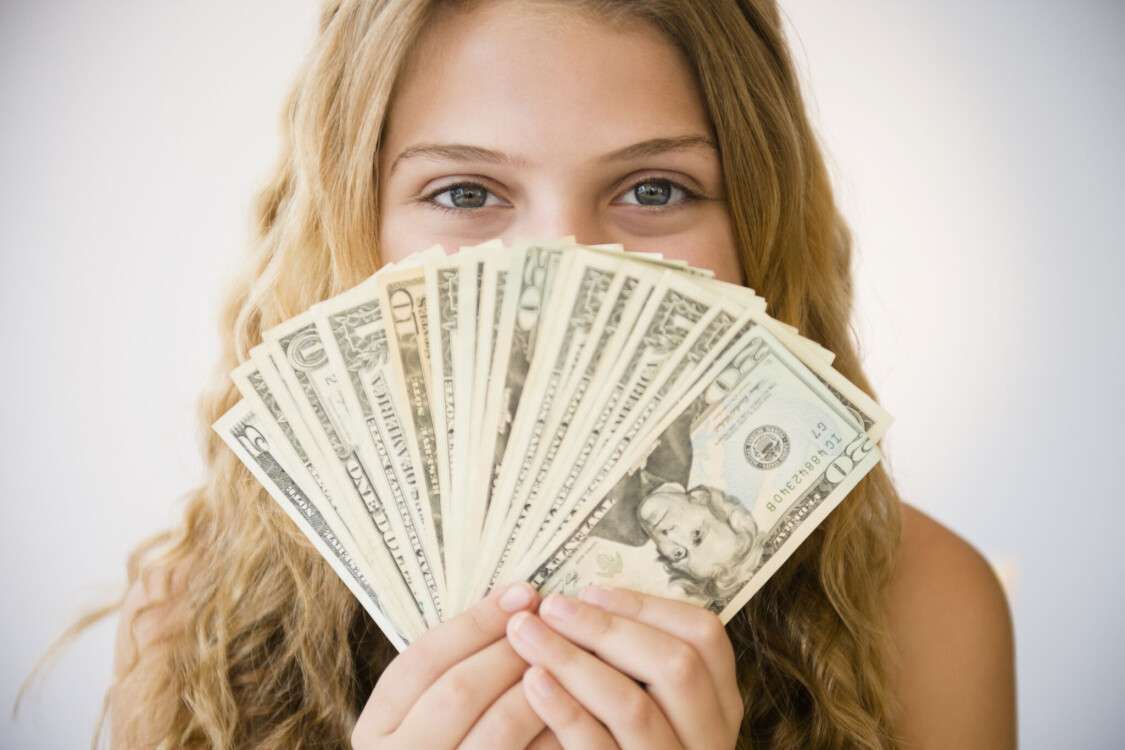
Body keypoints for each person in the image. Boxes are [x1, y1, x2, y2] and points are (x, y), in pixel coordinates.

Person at [79, 0, 1016, 747]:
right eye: (466, 192)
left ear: (754, 226)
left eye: (655, 189)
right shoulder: (191, 624)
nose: (561, 270)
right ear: (358, 229)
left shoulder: (926, 610)